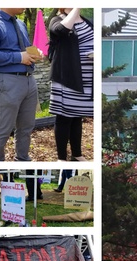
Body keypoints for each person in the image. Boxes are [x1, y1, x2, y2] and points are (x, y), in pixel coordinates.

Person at [0, 8, 42, 161]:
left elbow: (24, 49)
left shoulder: (20, 24)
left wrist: (35, 53)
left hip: (28, 80)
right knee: (4, 128)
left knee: (26, 127)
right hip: (7, 81)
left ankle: (22, 159)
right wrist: (18, 57)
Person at [48, 8, 94, 162]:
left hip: (86, 78)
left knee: (77, 117)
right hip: (67, 77)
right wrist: (75, 10)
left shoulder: (88, 22)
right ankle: (61, 157)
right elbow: (60, 30)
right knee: (64, 117)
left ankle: (77, 153)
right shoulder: (56, 19)